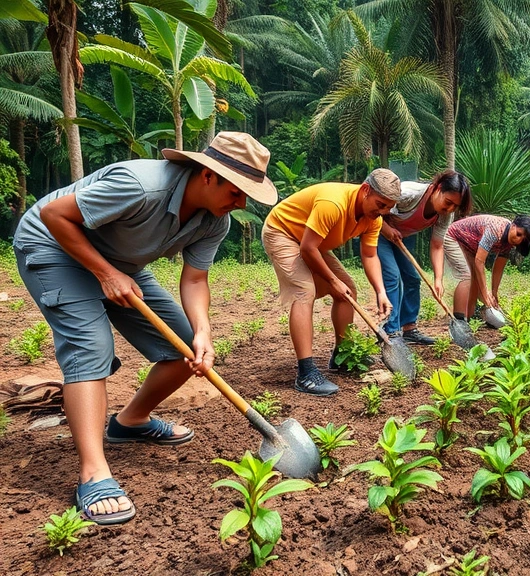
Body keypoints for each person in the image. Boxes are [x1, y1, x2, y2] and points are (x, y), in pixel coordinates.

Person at [13, 132, 278, 525]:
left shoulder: (214, 222)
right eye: (237, 191)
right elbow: (55, 216)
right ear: (208, 175)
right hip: (53, 245)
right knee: (90, 347)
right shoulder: (140, 186)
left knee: (184, 348)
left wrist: (203, 331)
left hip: (122, 263)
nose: (241, 203)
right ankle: (92, 473)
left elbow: (194, 280)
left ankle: (129, 422)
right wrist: (104, 273)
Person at [262, 169, 400, 396]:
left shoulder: (373, 219)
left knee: (347, 290)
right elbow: (307, 248)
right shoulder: (333, 203)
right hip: (283, 232)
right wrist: (332, 280)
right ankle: (306, 374)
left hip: (313, 242)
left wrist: (381, 292)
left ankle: (342, 355)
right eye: (380, 204)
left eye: (388, 207)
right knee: (303, 291)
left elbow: (369, 255)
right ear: (365, 191)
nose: (382, 211)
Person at [378, 171, 472, 345]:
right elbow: (374, 211)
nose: (450, 209)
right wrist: (387, 230)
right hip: (377, 233)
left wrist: (438, 279)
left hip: (400, 238)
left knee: (413, 279)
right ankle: (390, 332)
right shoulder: (407, 193)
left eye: (455, 207)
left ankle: (409, 329)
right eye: (448, 202)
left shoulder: (445, 214)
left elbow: (437, 245)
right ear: (437, 188)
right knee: (392, 276)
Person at [444, 214, 530, 320]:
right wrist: (486, 294)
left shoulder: (509, 243)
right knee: (467, 276)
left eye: (522, 240)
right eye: (518, 234)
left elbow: (498, 269)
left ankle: (469, 316)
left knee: (475, 281)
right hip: (453, 237)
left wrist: (494, 292)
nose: (518, 240)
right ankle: (459, 320)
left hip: (470, 247)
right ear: (513, 225)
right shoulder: (495, 230)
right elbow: (479, 261)